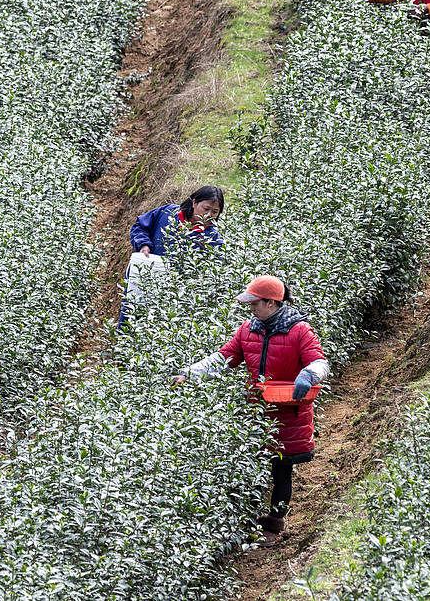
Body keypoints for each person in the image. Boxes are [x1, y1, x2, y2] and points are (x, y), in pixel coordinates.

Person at [174, 275, 330, 547]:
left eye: (255, 303)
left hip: (289, 413)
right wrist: (190, 373)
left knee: (281, 469)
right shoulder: (248, 329)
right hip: (257, 411)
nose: (251, 308)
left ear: (271, 303)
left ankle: (274, 523)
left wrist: (309, 374)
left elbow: (320, 362)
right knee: (251, 464)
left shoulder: (299, 330)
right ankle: (248, 518)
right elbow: (223, 358)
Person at [120, 186, 226, 327]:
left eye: (215, 212)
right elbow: (140, 226)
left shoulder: (212, 238)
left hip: (174, 296)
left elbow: (216, 269)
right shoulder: (167, 213)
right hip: (143, 281)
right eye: (206, 209)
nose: (209, 215)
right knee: (131, 319)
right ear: (194, 202)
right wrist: (143, 244)